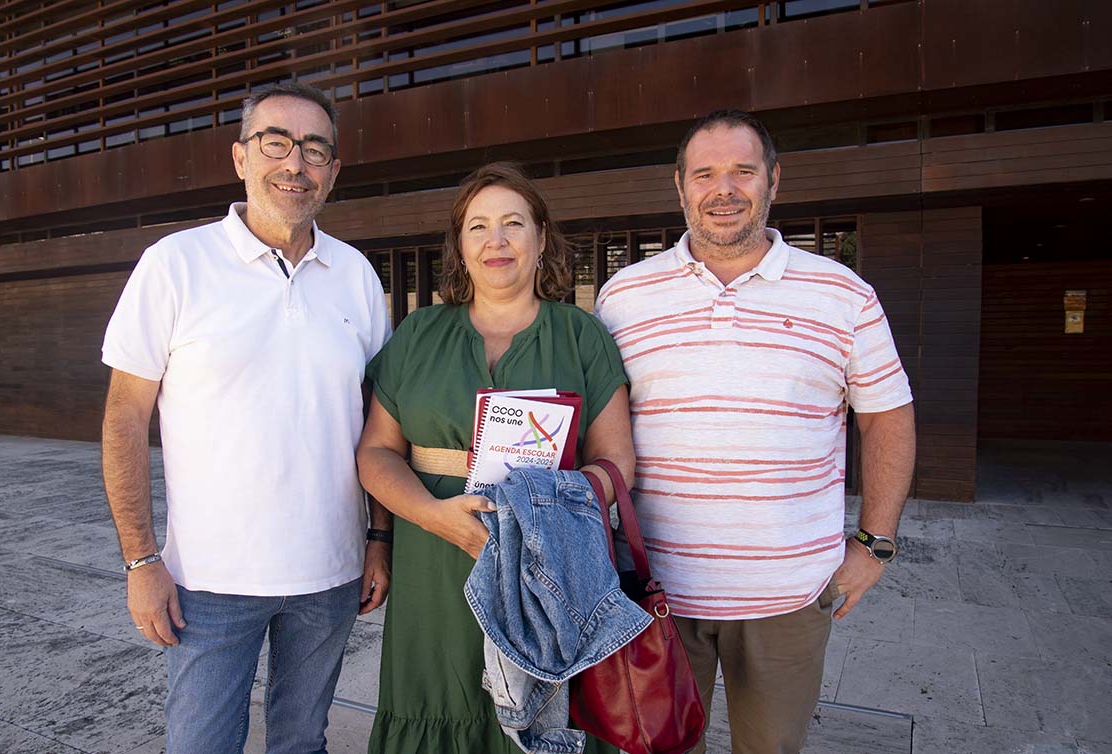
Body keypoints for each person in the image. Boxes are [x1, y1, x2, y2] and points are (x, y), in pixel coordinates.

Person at [594, 110, 917, 754]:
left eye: (743, 171)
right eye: (705, 173)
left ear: (774, 180)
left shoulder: (843, 293)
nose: (724, 189)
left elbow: (887, 416)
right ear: (679, 186)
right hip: (651, 592)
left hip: (788, 596)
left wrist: (874, 544)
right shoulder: (622, 297)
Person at [100, 82, 393, 754]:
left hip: (331, 573)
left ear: (333, 172)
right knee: (199, 745)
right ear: (240, 157)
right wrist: (140, 559)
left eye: (315, 149)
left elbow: (381, 422)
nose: (296, 163)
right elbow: (123, 419)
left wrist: (380, 540)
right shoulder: (175, 265)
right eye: (276, 142)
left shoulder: (353, 275)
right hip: (208, 581)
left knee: (301, 742)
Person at [356, 162, 635, 754]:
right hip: (433, 557)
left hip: (549, 563)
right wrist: (432, 516)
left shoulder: (583, 335)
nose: (497, 240)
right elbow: (377, 452)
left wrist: (540, 518)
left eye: (514, 223)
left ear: (541, 238)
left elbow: (616, 463)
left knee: (541, 713)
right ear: (460, 245)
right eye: (478, 226)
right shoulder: (417, 335)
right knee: (437, 696)